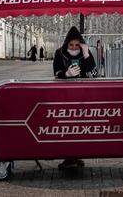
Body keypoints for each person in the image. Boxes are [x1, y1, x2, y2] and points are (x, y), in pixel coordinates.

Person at [53, 26, 97, 170]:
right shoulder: (59, 53)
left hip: (82, 94)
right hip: (65, 94)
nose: (73, 47)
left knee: (80, 126)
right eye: (71, 44)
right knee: (68, 125)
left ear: (81, 44)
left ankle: (76, 155)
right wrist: (66, 74)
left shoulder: (85, 53)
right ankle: (70, 157)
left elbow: (94, 73)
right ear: (67, 43)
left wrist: (86, 55)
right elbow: (56, 72)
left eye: (77, 45)